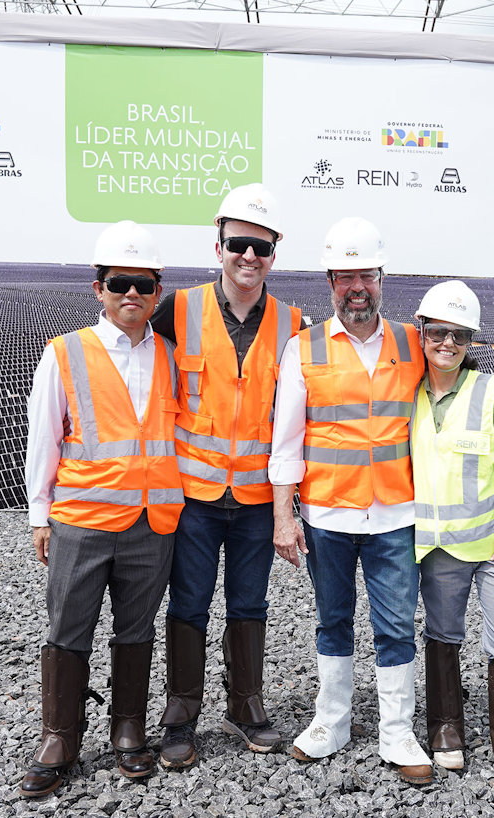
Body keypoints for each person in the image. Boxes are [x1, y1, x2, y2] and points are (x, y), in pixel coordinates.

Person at [269, 216, 436, 785]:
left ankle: (397, 732)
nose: (356, 287)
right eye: (345, 277)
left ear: (382, 278)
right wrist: (282, 519)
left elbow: (458, 396)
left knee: (395, 625)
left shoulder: (414, 344)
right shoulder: (305, 348)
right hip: (327, 517)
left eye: (366, 275)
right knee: (332, 621)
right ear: (330, 281)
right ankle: (331, 721)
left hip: (395, 515)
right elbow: (286, 441)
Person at [21, 221, 184, 796]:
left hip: (153, 522)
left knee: (136, 630)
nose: (131, 294)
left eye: (142, 283)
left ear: (157, 291)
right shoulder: (65, 354)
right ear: (99, 288)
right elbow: (44, 436)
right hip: (83, 521)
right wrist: (40, 513)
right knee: (69, 628)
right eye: (119, 282)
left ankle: (127, 728)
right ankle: (60, 735)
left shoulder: (169, 355)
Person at [148, 183, 303, 768]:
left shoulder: (293, 324)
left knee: (249, 603)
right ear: (218, 247)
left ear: (273, 254)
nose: (249, 257)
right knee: (187, 604)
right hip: (195, 495)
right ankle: (181, 714)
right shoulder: (177, 310)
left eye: (261, 248)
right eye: (239, 244)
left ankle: (245, 705)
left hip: (258, 498)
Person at [411, 280, 494, 782]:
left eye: (459, 336)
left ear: (472, 342)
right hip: (440, 547)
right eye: (438, 332)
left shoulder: (492, 392)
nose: (448, 344)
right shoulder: (406, 395)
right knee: (443, 634)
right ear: (421, 332)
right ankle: (445, 728)